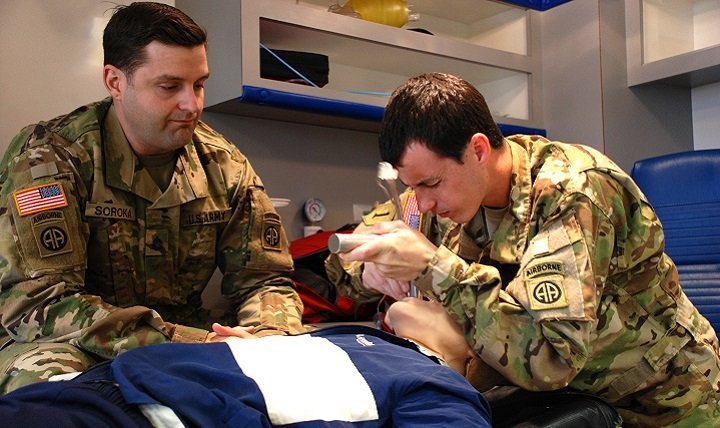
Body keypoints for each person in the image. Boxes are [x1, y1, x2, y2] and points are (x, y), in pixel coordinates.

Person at [326, 72, 720, 427]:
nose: (422, 203)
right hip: (560, 402)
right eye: (413, 187)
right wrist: (370, 271)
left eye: (430, 183)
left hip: (662, 403)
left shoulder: (571, 191)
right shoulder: (443, 194)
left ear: (478, 150)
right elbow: (338, 260)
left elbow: (551, 358)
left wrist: (433, 265)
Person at [0, 2, 304, 395]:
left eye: (198, 84)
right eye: (169, 86)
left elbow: (264, 280)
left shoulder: (224, 165)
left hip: (189, 342)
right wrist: (186, 342)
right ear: (115, 81)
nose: (192, 105)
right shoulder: (51, 157)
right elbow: (39, 305)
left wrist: (267, 339)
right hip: (71, 343)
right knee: (55, 388)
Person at [0, 324, 492, 427]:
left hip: (155, 417)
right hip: (90, 388)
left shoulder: (443, 388)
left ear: (470, 359)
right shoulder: (345, 333)